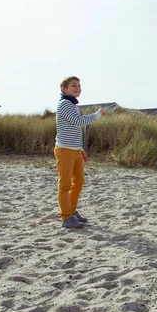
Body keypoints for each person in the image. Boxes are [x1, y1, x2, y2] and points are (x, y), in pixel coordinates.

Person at [54, 76, 107, 228]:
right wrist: (98, 114)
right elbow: (80, 122)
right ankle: (66, 217)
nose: (77, 88)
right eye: (73, 86)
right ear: (64, 89)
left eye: (79, 85)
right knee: (65, 185)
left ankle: (71, 210)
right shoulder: (64, 104)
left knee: (79, 181)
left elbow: (75, 130)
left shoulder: (72, 105)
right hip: (64, 150)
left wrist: (80, 149)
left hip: (75, 150)